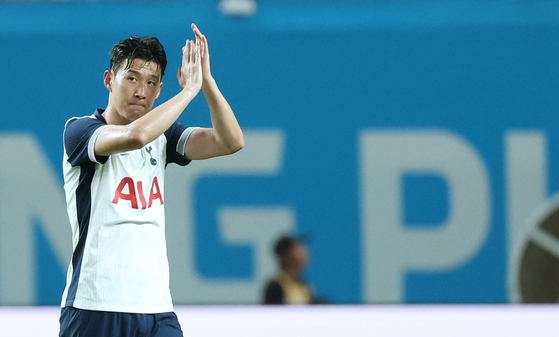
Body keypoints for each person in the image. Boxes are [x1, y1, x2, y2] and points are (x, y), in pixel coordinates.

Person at [59, 23, 243, 337]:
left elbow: (230, 142)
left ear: (159, 91)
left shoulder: (165, 137)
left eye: (151, 82)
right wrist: (188, 91)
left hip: (157, 309)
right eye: (131, 78)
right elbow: (136, 135)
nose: (141, 91)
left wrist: (207, 83)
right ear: (109, 80)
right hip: (96, 305)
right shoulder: (80, 131)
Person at [263, 234, 322, 305]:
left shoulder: (304, 284)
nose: (304, 253)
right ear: (284, 255)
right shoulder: (275, 287)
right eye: (297, 249)